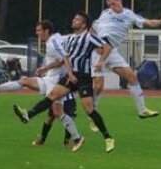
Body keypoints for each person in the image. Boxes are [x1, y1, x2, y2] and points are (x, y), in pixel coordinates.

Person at [13, 12, 115, 152]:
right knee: (52, 96)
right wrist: (57, 70)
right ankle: (28, 115)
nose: (74, 20)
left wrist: (101, 61)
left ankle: (108, 138)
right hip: (71, 76)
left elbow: (107, 47)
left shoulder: (89, 37)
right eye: (74, 18)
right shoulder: (70, 38)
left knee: (88, 109)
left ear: (84, 25)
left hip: (84, 77)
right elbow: (64, 57)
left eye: (77, 19)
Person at [0, 20, 83, 149]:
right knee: (25, 80)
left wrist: (52, 69)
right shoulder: (56, 38)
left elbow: (62, 59)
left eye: (39, 30)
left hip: (55, 81)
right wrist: (46, 69)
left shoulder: (52, 42)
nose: (37, 33)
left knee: (57, 112)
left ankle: (76, 138)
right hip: (49, 78)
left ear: (47, 31)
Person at [90, 0, 161, 124]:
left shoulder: (129, 14)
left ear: (120, 1)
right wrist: (94, 43)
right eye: (109, 5)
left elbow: (148, 22)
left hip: (112, 51)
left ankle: (142, 110)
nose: (112, 7)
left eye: (113, 3)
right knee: (99, 86)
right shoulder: (105, 13)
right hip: (98, 51)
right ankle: (93, 114)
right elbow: (92, 28)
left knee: (132, 77)